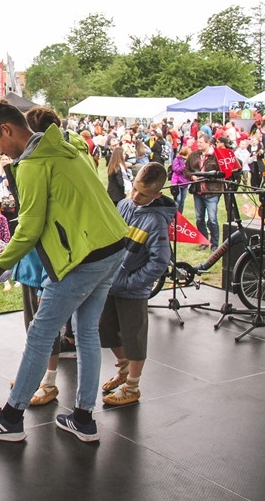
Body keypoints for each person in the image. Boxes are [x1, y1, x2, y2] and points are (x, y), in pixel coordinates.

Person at [0, 99, 127, 444]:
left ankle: (11, 417)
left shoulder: (34, 164)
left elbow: (29, 227)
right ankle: (82, 417)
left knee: (40, 333)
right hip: (113, 246)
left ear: (7, 130)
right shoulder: (67, 146)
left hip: (84, 257)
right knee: (86, 333)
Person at [99, 162, 173, 407]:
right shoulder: (123, 205)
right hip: (110, 284)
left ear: (157, 195)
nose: (135, 197)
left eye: (142, 194)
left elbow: (160, 261)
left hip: (133, 291)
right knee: (103, 329)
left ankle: (132, 386)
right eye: (134, 189)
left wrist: (132, 282)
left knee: (134, 338)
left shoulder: (157, 222)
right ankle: (123, 369)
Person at [184, 133, 224, 250]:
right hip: (198, 191)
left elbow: (222, 172)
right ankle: (204, 242)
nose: (198, 144)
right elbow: (186, 170)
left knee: (212, 219)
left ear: (208, 143)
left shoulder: (216, 155)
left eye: (201, 142)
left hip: (212, 191)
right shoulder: (193, 155)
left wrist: (210, 177)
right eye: (198, 142)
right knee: (199, 218)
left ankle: (215, 244)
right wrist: (192, 177)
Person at [170, 145, 191, 213]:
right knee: (178, 199)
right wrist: (184, 167)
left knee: (182, 200)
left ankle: (180, 214)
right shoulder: (177, 159)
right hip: (177, 182)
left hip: (185, 182)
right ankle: (174, 212)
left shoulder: (188, 160)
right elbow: (176, 169)